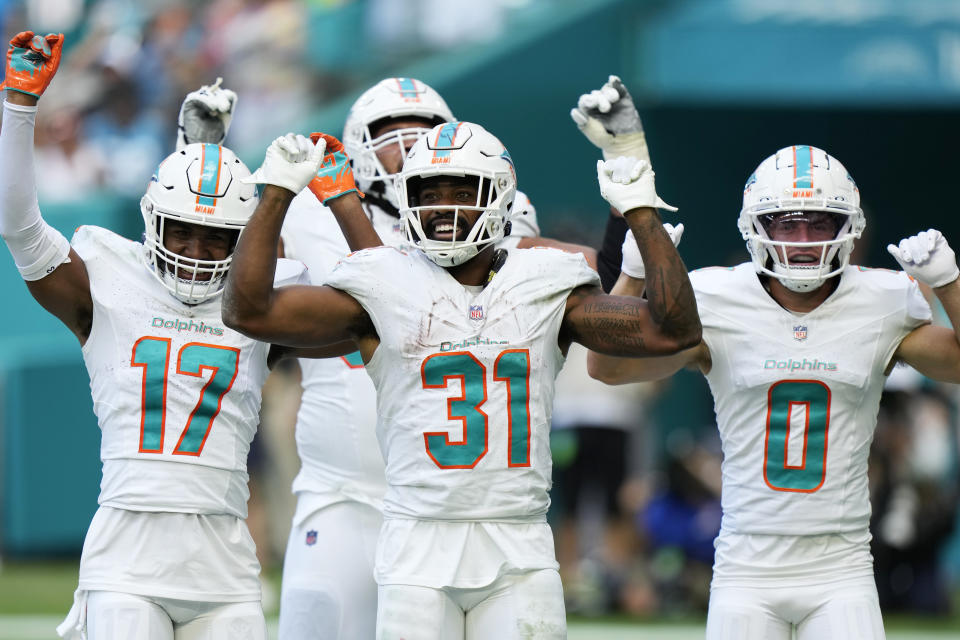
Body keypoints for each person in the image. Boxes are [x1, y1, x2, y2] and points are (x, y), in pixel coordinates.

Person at [221, 118, 701, 638]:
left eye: (462, 191)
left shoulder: (544, 278)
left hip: (517, 545)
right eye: (430, 192)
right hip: (417, 546)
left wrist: (643, 216)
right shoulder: (383, 280)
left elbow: (672, 333)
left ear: (497, 198)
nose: (445, 208)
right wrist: (275, 195)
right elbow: (248, 311)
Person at [0, 31, 359, 640]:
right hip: (126, 558)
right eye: (182, 233)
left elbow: (369, 309)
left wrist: (339, 200)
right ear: (151, 223)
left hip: (225, 562)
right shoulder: (110, 282)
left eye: (216, 239)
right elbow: (19, 225)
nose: (196, 252)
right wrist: (18, 106)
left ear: (242, 239)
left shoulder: (255, 306)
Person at [579, 81, 960, 640]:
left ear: (847, 228)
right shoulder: (714, 298)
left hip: (842, 568)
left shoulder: (881, 300)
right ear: (756, 227)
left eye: (818, 223)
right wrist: (634, 272)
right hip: (746, 569)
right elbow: (606, 369)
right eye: (786, 222)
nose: (802, 239)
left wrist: (949, 285)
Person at [275, 77, 595, 640]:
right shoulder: (310, 210)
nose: (407, 148)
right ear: (357, 143)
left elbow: (413, 296)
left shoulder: (495, 211)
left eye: (423, 133)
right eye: (392, 136)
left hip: (456, 501)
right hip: (343, 489)